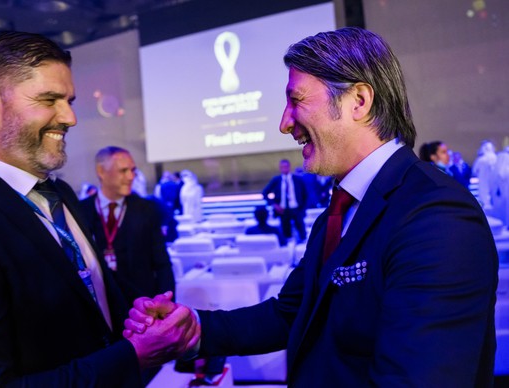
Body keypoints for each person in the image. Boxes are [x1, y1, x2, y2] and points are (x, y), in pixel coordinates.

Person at [125, 27, 498, 387]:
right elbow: (293, 313)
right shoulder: (340, 209)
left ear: (359, 101)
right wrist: (193, 329)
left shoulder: (436, 214)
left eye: (296, 100)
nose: (285, 123)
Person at [0, 31, 198, 386]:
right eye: (49, 99)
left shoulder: (60, 194)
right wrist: (131, 356)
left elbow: (86, 306)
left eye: (68, 100)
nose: (70, 117)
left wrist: (136, 317)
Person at [79, 146, 176, 305]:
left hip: (142, 304)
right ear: (101, 171)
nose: (131, 177)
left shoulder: (147, 209)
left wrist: (166, 303)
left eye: (133, 170)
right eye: (123, 171)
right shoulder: (80, 211)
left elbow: (162, 263)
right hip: (100, 304)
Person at [262, 159, 307, 242]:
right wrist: (274, 205)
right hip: (283, 211)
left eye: (286, 166)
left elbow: (305, 194)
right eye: (282, 167)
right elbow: (264, 193)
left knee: (302, 232)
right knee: (287, 234)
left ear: (289, 167)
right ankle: (289, 250)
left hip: (296, 209)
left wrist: (303, 209)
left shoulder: (298, 179)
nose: (284, 168)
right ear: (280, 168)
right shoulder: (276, 180)